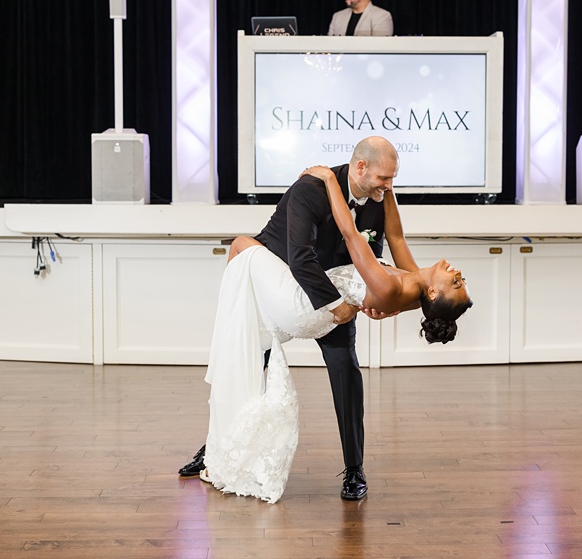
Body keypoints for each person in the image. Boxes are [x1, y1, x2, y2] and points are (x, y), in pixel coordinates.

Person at [179, 137, 471, 502]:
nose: (388, 186)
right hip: (284, 288)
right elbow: (300, 258)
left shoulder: (379, 199)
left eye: (393, 180)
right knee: (246, 364)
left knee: (346, 369)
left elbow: (379, 251)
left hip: (338, 296)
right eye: (384, 177)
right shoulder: (310, 188)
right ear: (360, 167)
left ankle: (354, 469)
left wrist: (392, 296)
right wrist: (346, 303)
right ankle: (215, 448)